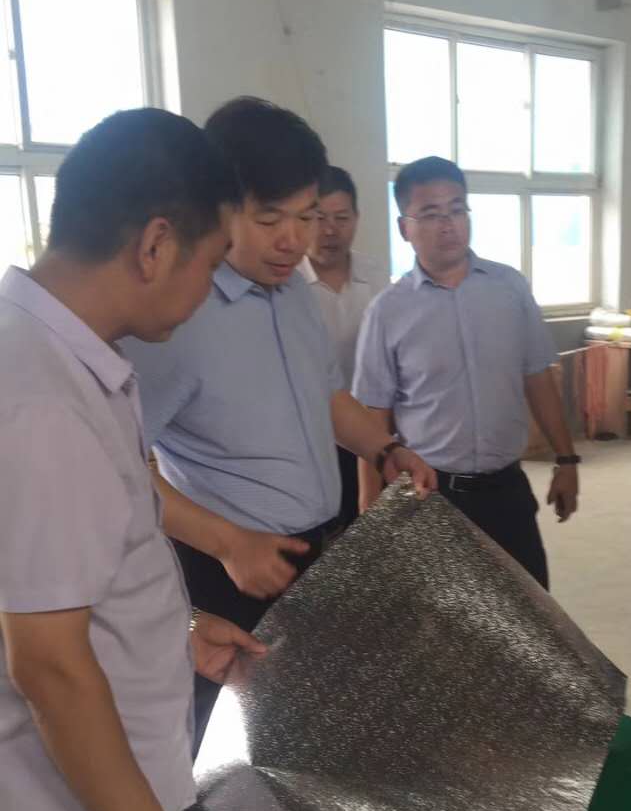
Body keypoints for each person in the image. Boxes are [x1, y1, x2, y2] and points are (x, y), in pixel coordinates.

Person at [0, 108, 267, 811]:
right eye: (210, 261)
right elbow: (48, 661)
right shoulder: (42, 400)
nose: (206, 291)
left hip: (95, 789)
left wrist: (177, 629)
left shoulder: (59, 354)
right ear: (156, 243)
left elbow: (69, 567)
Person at [123, 99, 435, 752]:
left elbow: (326, 394)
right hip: (228, 573)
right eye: (270, 219)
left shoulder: (292, 290)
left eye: (306, 216)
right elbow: (116, 471)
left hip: (316, 552)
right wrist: (228, 544)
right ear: (217, 207)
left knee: (317, 736)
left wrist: (384, 449)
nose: (294, 239)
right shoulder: (176, 316)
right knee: (234, 755)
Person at [352, 156, 579, 590]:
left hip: (507, 490)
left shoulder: (510, 288)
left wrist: (566, 458)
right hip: (431, 496)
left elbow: (538, 377)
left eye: (457, 209)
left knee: (531, 617)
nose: (448, 225)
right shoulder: (387, 312)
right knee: (445, 626)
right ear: (404, 228)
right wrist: (369, 508)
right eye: (431, 214)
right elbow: (373, 415)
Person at [300, 166, 388, 526]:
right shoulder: (286, 285)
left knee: (372, 531)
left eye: (341, 218)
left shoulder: (377, 276)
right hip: (311, 441)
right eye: (319, 218)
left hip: (372, 431)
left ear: (356, 219)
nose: (330, 230)